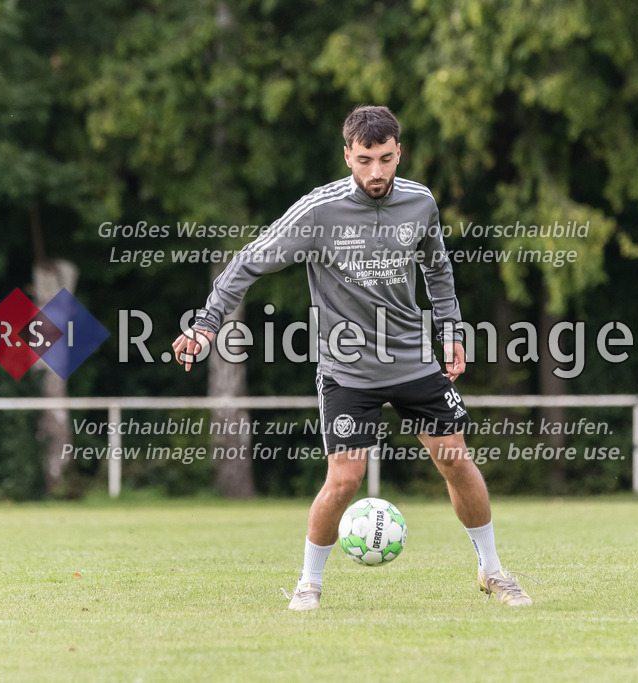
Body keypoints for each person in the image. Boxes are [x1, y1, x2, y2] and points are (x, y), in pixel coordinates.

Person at [172, 105, 532, 610]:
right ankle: (308, 585)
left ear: (399, 151)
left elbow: (438, 272)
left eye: (385, 159)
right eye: (365, 160)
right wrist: (208, 324)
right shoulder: (319, 212)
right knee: (344, 479)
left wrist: (451, 329)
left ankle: (493, 572)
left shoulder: (421, 203)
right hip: (348, 371)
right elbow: (248, 261)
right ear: (347, 156)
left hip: (414, 362)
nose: (376, 172)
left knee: (456, 460)